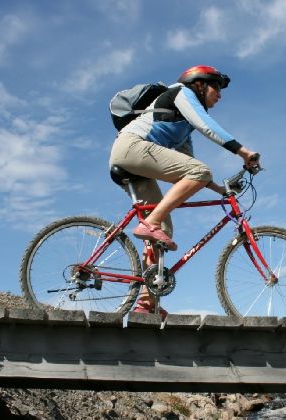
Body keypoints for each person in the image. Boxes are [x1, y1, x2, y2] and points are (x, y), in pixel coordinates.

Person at [109, 65, 261, 316]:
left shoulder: (183, 127)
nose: (220, 95)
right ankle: (151, 222)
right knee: (192, 180)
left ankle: (147, 304)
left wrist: (219, 190)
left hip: (134, 160)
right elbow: (206, 125)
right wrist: (242, 151)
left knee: (163, 229)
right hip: (132, 147)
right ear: (199, 84)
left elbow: (188, 165)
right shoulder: (180, 92)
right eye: (216, 88)